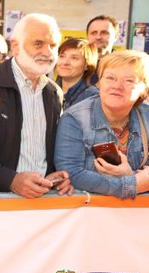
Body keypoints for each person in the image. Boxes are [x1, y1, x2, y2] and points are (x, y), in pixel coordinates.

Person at [0, 13, 73, 198]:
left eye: (53, 46)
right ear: (15, 46)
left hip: (38, 203)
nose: (48, 53)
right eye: (38, 43)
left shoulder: (53, 93)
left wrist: (51, 175)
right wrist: (10, 180)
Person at [55, 50, 149, 198]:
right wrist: (132, 184)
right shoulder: (74, 118)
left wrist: (129, 174)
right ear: (99, 82)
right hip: (89, 215)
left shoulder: (147, 115)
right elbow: (72, 173)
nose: (117, 86)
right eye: (110, 78)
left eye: (129, 80)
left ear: (144, 87)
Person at [55, 37, 98, 110]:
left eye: (74, 58)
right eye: (62, 56)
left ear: (87, 65)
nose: (65, 62)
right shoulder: (45, 90)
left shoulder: (92, 97)